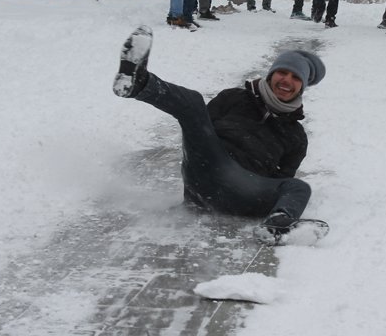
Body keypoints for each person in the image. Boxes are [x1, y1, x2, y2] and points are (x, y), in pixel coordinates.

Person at [112, 26, 326, 237]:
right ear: (271, 74)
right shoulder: (233, 97)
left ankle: (278, 224)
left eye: (296, 78)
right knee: (193, 104)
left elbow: (281, 179)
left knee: (298, 187)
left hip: (246, 190)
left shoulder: (296, 136)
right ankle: (138, 83)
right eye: (282, 72)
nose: (287, 80)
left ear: (302, 86)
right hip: (207, 169)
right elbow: (201, 128)